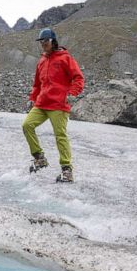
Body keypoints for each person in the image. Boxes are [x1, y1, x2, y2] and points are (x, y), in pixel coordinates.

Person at [21, 27, 84, 183]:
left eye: (46, 41)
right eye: (41, 42)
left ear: (53, 41)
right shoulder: (42, 61)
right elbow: (37, 84)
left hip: (59, 104)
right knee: (27, 125)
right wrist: (32, 98)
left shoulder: (65, 58)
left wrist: (72, 93)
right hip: (42, 103)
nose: (43, 44)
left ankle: (67, 170)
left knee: (60, 136)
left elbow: (78, 78)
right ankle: (39, 157)